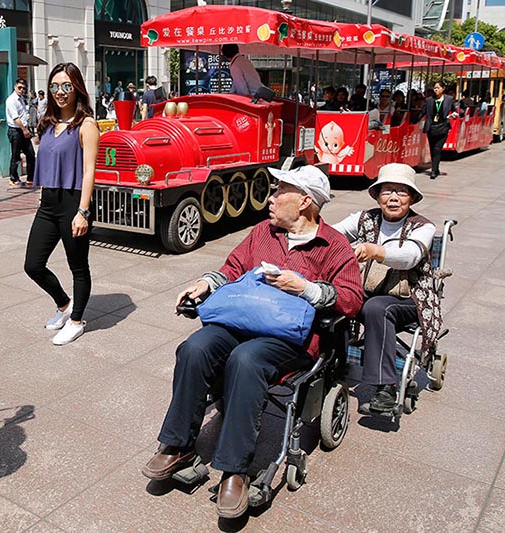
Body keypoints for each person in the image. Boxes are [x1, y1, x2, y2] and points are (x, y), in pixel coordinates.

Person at [142, 166, 362, 520]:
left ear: (306, 202)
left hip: (289, 338)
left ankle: (235, 469)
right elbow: (232, 268)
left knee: (245, 360)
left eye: (280, 192)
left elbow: (352, 299)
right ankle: (178, 445)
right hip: (241, 321)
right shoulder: (263, 232)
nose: (270, 198)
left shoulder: (333, 245)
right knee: (194, 348)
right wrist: (206, 283)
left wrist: (305, 288)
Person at [332, 163, 439, 414]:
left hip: (410, 297)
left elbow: (409, 256)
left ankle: (386, 388)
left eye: (401, 192)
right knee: (334, 298)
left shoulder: (423, 226)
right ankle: (332, 364)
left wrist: (375, 251)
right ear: (377, 195)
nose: (393, 197)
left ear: (411, 197)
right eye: (387, 191)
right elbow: (332, 234)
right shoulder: (364, 218)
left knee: (376, 307)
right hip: (368, 291)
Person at [24, 62, 98, 346]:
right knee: (33, 264)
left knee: (78, 266)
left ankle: (77, 320)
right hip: (48, 203)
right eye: (54, 86)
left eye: (66, 86)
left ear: (77, 87)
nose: (60, 92)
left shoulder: (86, 125)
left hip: (73, 203)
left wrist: (83, 211)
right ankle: (65, 304)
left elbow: (90, 170)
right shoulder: (48, 123)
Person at [419, 81, 457, 179]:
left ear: (443, 88)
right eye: (435, 88)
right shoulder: (429, 100)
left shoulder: (449, 99)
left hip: (443, 127)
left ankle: (433, 171)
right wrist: (414, 120)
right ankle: (436, 167)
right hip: (431, 127)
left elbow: (454, 111)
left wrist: (454, 115)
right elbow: (423, 112)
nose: (436, 90)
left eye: (438, 88)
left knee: (437, 149)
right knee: (432, 149)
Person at [5, 77, 35, 188]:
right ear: (15, 86)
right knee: (16, 156)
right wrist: (24, 129)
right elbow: (15, 118)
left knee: (31, 154)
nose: (21, 90)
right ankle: (13, 178)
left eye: (23, 88)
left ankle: (30, 178)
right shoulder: (11, 100)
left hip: (23, 129)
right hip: (16, 130)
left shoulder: (21, 99)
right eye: (19, 87)